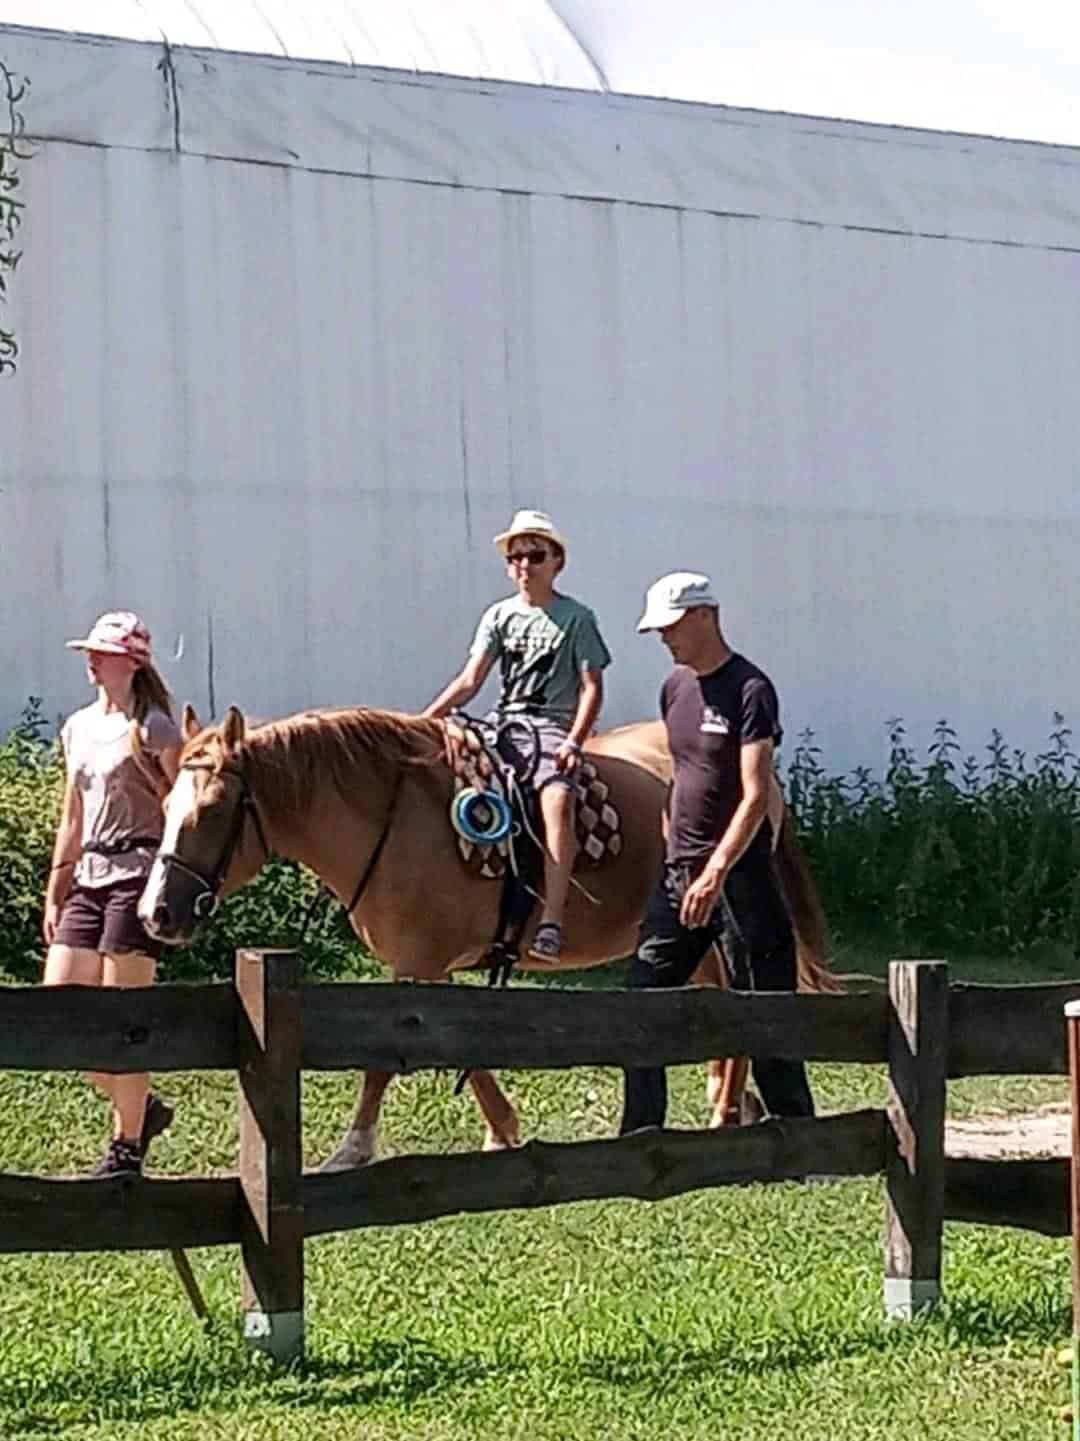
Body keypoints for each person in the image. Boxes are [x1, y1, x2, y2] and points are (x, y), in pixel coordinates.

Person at [620, 572, 815, 1133]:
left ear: (705, 615)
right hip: (679, 873)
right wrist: (671, 844)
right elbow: (684, 772)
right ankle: (641, 1134)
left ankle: (797, 1138)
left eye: (672, 626)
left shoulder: (751, 689)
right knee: (642, 999)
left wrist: (716, 870)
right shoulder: (674, 688)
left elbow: (755, 794)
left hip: (739, 877)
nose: (664, 639)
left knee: (766, 1008)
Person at [423, 509, 611, 960]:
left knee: (558, 801)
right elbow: (470, 681)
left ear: (556, 561)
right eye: (516, 557)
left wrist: (574, 741)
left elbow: (592, 687)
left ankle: (552, 920)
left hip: (551, 727)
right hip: (502, 723)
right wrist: (426, 720)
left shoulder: (577, 618)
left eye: (535, 555)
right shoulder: (498, 616)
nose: (525, 565)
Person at [42, 612, 182, 1176]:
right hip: (89, 873)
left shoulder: (156, 729)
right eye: (91, 651)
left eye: (103, 652)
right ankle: (140, 1107)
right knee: (61, 1011)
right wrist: (57, 888)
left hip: (138, 874)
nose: (92, 660)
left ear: (132, 662)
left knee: (122, 1020)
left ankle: (126, 1146)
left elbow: (185, 807)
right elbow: (71, 815)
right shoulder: (77, 727)